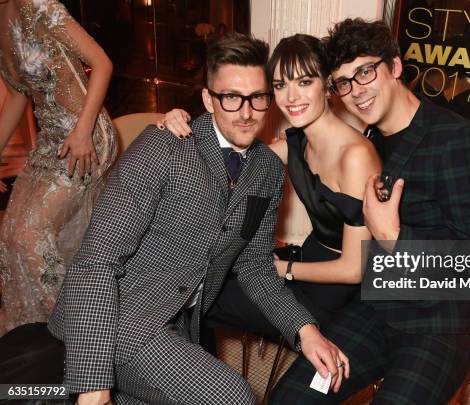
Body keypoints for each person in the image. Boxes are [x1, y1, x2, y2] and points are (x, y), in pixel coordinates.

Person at [48, 33, 349, 405]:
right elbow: (97, 261)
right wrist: (93, 388)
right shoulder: (165, 145)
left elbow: (254, 266)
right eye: (231, 97)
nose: (246, 111)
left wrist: (306, 331)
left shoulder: (269, 170)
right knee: (232, 395)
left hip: (181, 326)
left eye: (257, 97)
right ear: (208, 98)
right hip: (116, 321)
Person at [271, 19, 470, 404]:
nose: (356, 91)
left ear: (394, 67)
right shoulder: (372, 140)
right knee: (292, 398)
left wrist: (394, 238)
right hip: (378, 308)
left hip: (442, 325)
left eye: (365, 72)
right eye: (344, 81)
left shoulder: (458, 141)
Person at [159, 34, 381, 335]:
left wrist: (282, 270)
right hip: (306, 262)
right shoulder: (297, 143)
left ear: (327, 84)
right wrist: (178, 123)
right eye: (280, 85)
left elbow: (355, 269)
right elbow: (232, 153)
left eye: (303, 82)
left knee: (206, 297)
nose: (291, 97)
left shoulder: (355, 156)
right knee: (204, 284)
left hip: (338, 292)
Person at [0, 0, 117, 335]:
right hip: (50, 142)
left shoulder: (38, 5)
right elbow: (20, 94)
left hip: (87, 136)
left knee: (28, 236)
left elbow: (102, 63)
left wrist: (82, 132)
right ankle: (29, 333)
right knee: (9, 233)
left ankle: (74, 331)